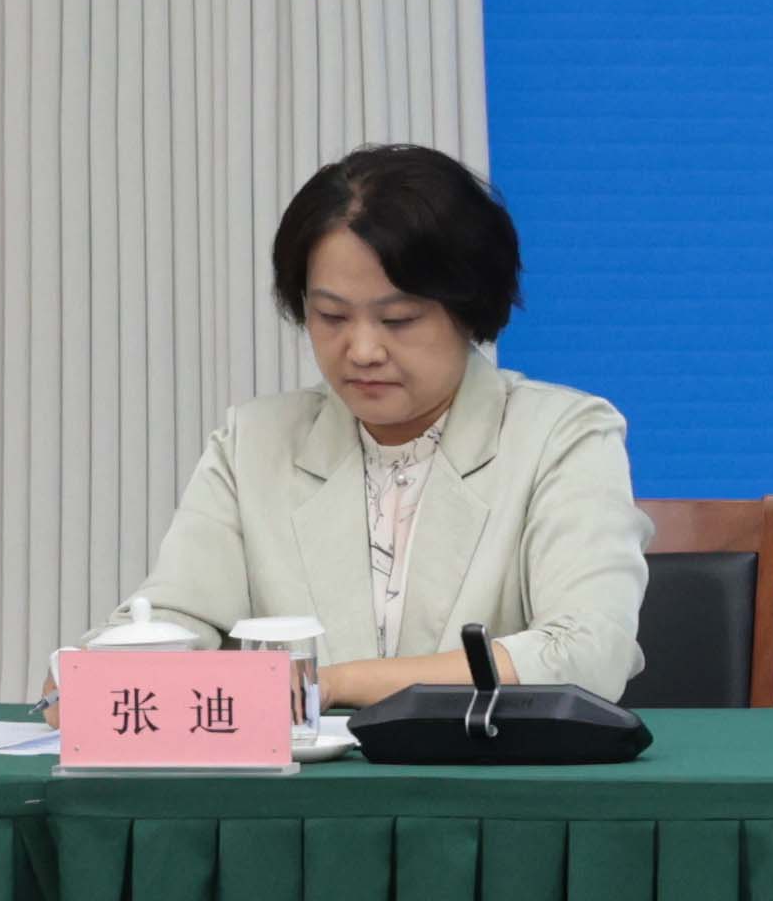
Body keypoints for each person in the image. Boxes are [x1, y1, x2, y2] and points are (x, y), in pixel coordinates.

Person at [123, 144, 648, 706]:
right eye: (331, 316)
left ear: (469, 308)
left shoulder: (560, 437)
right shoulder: (253, 443)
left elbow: (586, 653)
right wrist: (105, 673)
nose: (362, 351)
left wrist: (333, 684)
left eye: (398, 319)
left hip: (488, 762)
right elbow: (174, 618)